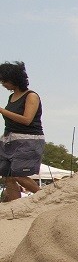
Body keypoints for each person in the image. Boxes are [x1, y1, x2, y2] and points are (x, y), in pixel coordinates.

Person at [0, 61, 44, 202]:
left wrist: (2, 110)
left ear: (14, 79)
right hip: (9, 139)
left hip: (28, 139)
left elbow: (27, 119)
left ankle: (45, 198)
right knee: (7, 176)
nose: (3, 84)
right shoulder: (11, 97)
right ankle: (15, 207)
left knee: (19, 174)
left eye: (5, 81)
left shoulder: (31, 96)